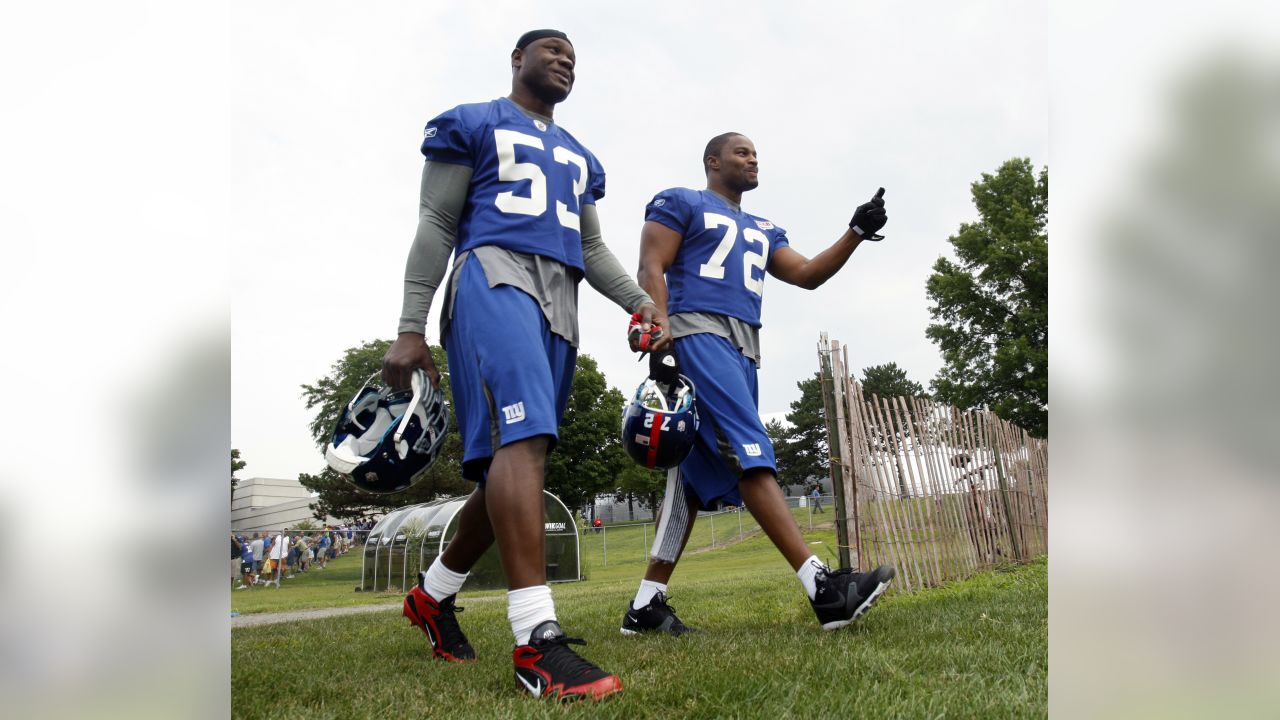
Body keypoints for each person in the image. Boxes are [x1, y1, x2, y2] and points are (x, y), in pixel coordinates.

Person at [380, 29, 662, 701]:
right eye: (551, 49)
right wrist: (409, 327)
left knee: (513, 463)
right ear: (517, 59)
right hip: (492, 274)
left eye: (573, 55)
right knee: (524, 443)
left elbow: (591, 248)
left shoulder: (579, 157)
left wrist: (642, 303)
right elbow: (436, 224)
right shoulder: (474, 122)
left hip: (560, 297)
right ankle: (537, 639)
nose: (564, 59)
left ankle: (432, 595)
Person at [619, 132, 896, 638]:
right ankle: (823, 590)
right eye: (741, 152)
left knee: (691, 482)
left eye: (755, 153)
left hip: (744, 348)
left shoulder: (765, 227)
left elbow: (808, 274)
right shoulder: (681, 201)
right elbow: (649, 266)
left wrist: (855, 231)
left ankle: (645, 605)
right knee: (751, 451)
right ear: (713, 161)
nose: (752, 159)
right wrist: (661, 340)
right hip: (697, 332)